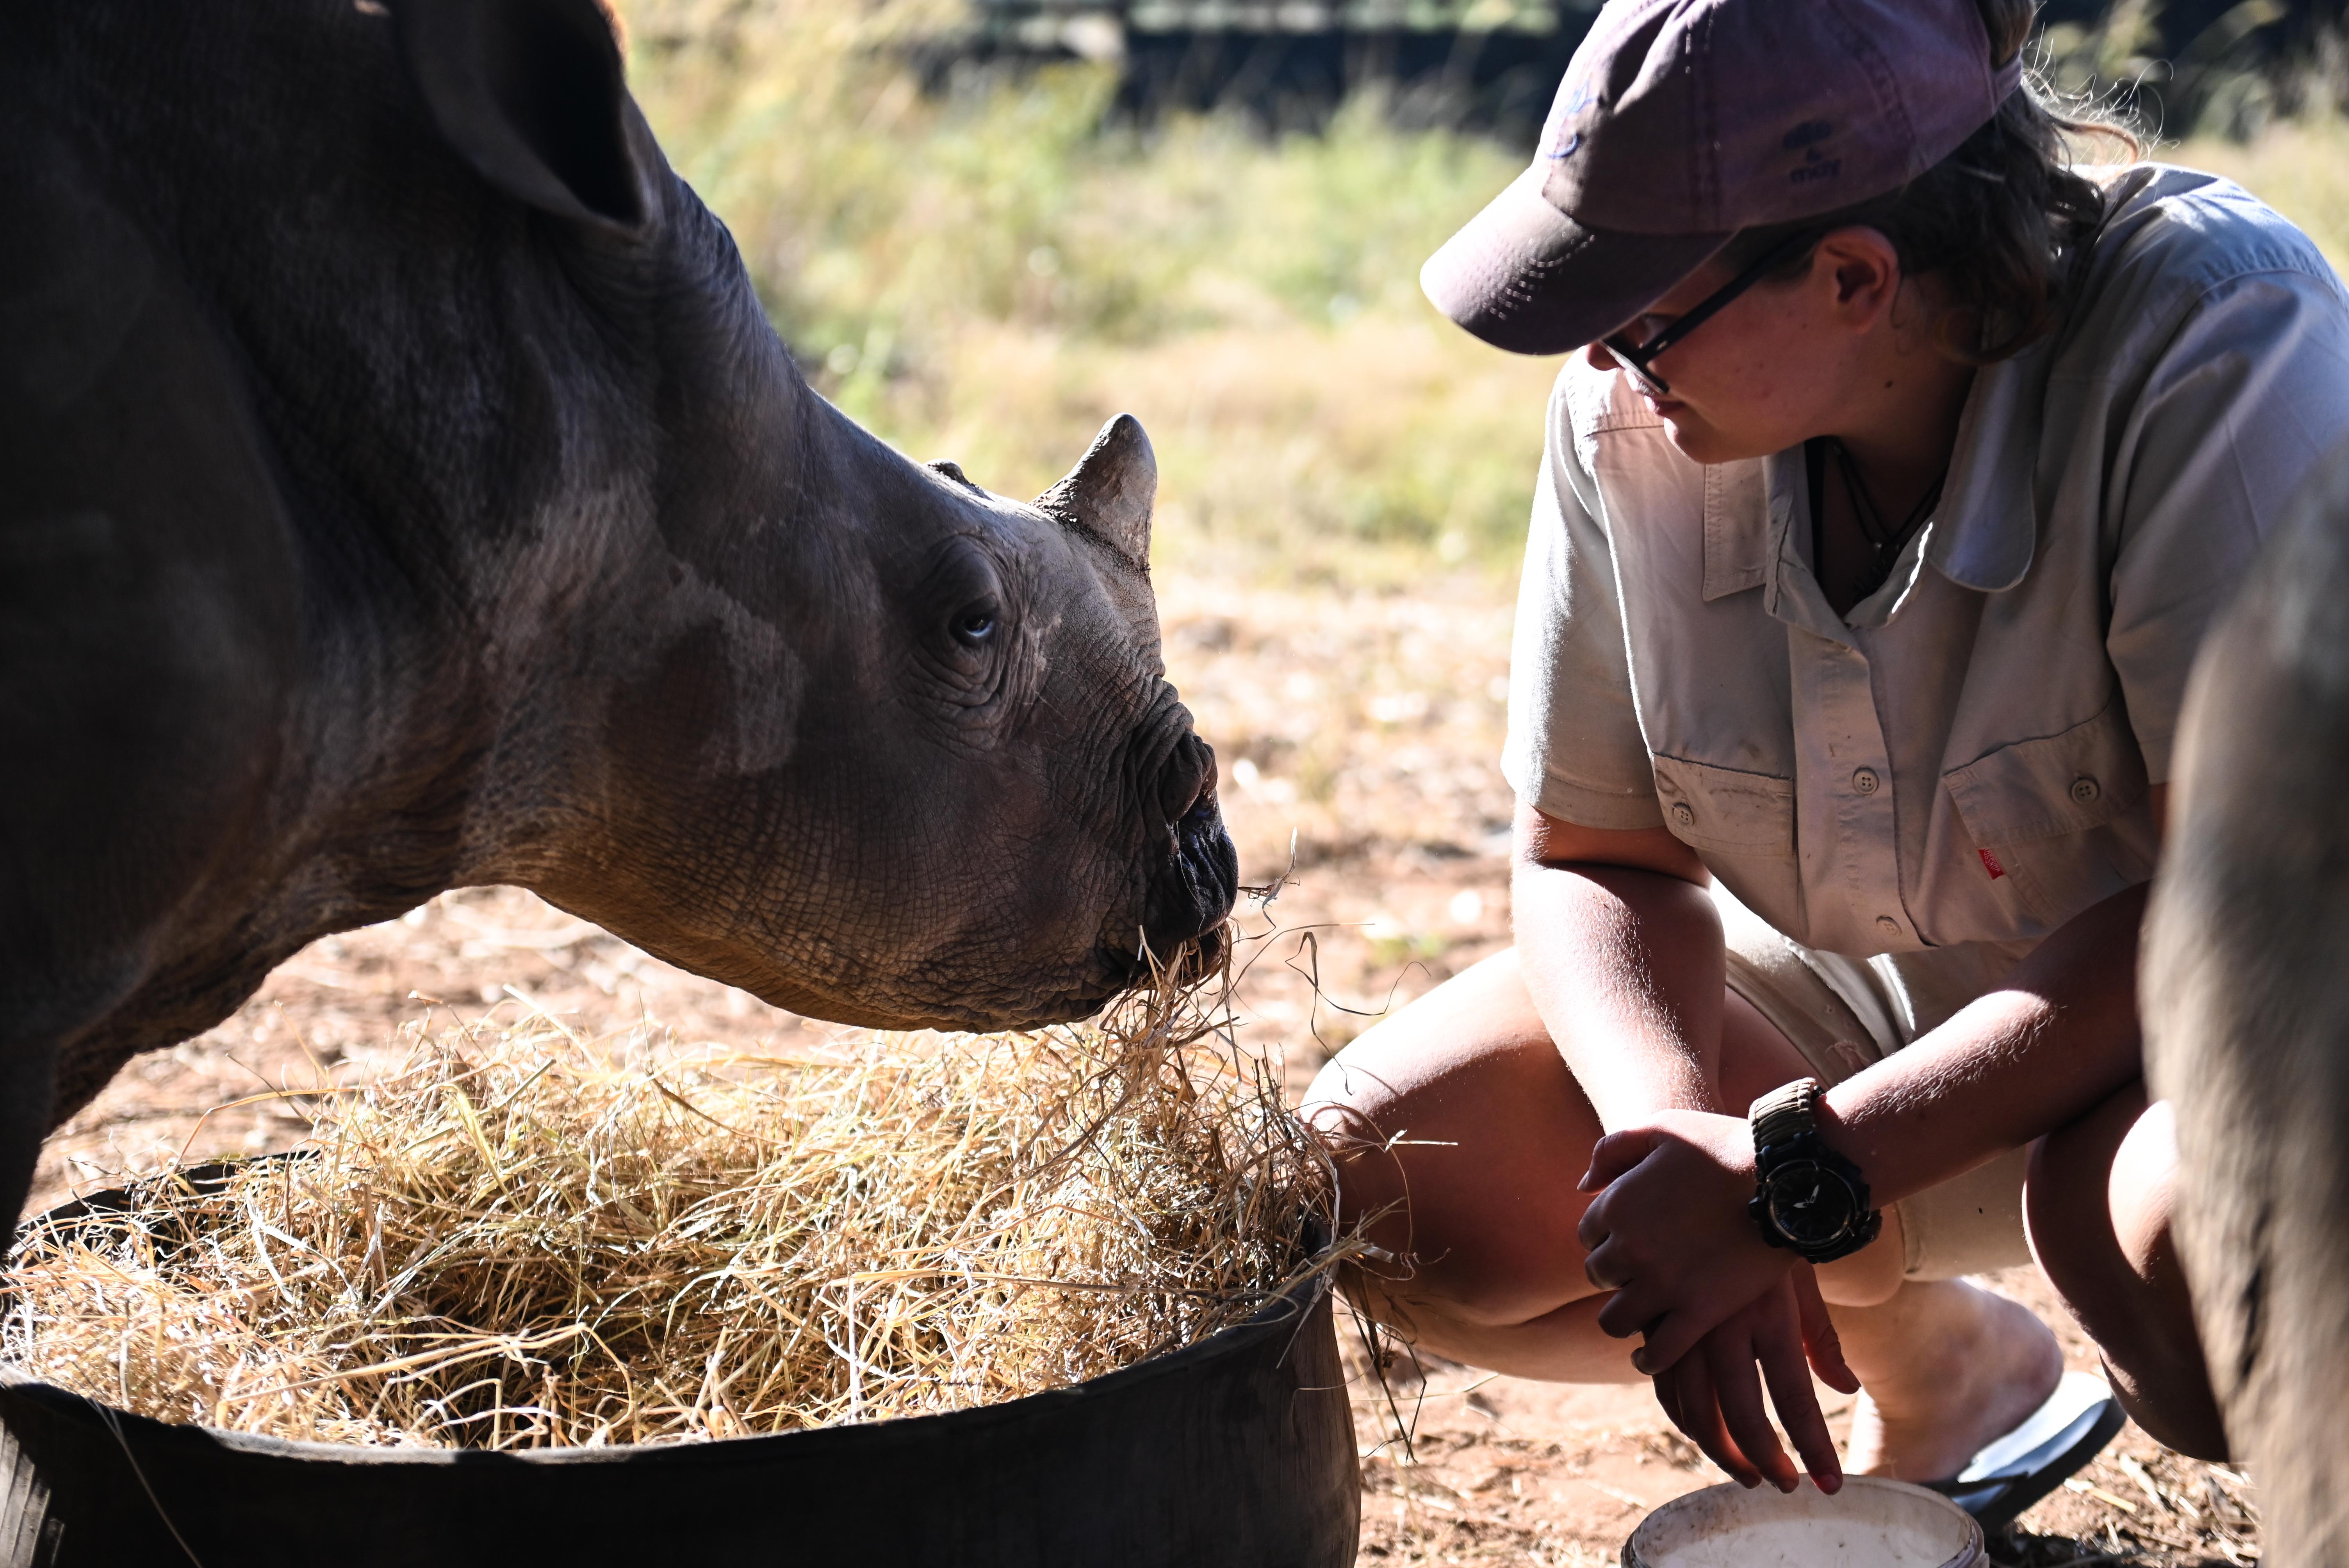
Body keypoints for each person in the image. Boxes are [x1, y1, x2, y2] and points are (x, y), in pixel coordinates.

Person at [1302, 0, 2349, 1526]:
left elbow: (2229, 904)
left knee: (2195, 1230)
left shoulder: (2218, 339)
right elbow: (1595, 852)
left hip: (2227, 1024)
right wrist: (1674, 1139)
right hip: (1885, 1015)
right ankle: (1943, 1367)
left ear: (1856, 275)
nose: (1603, 352)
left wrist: (1794, 1171)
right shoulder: (1632, 419)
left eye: (1644, 312)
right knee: (1381, 1177)